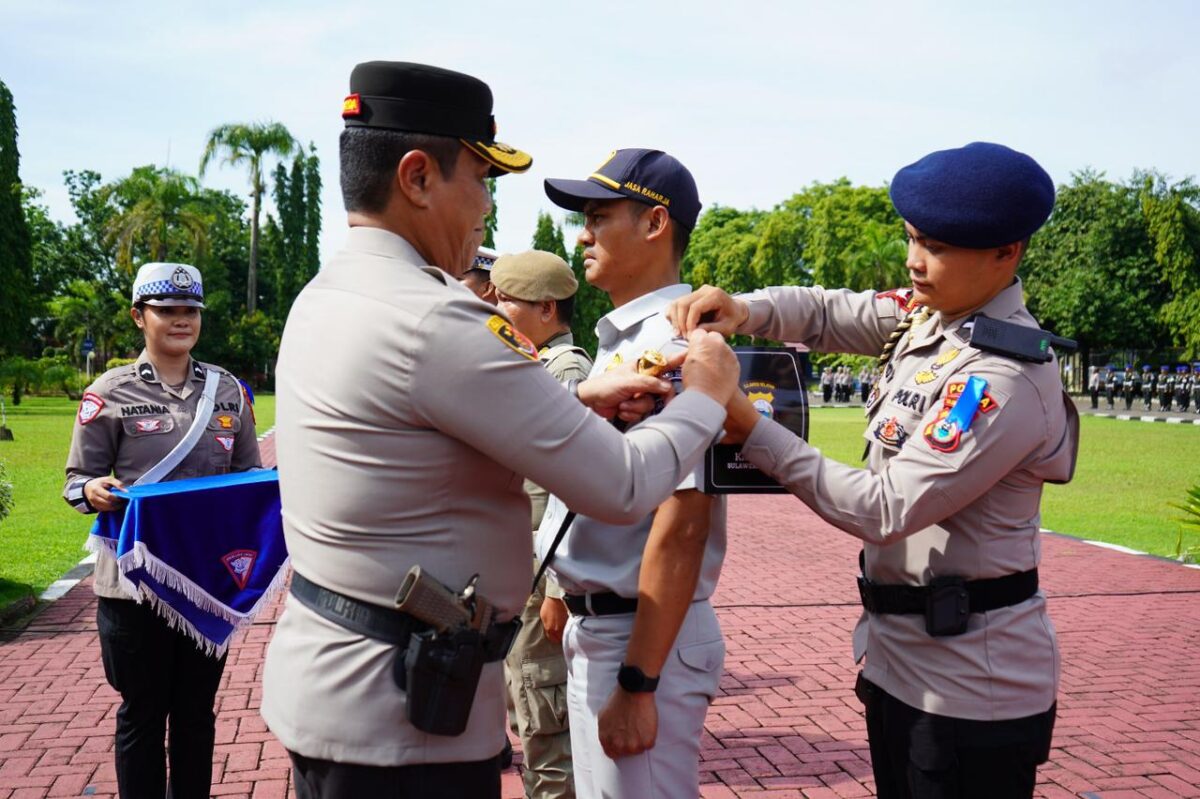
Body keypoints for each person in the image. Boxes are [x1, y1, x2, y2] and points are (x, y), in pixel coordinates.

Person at [259, 63, 740, 799]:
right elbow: (623, 484)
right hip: (400, 720)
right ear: (418, 177)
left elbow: (424, 427)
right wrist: (707, 396)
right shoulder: (434, 318)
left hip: (351, 682)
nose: (486, 204)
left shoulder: (332, 291)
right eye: (480, 177)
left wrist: (576, 398)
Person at [669, 142, 1079, 799]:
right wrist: (744, 308)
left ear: (1009, 251)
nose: (915, 260)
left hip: (971, 689)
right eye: (913, 237)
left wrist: (746, 422)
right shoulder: (934, 315)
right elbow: (833, 312)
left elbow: (882, 508)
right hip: (900, 659)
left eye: (938, 246)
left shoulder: (1002, 373)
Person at [534, 148, 728, 799]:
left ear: (655, 224)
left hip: (641, 636)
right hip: (607, 624)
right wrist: (565, 585)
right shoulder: (625, 337)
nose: (582, 235)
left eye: (598, 216)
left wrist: (639, 681)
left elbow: (683, 522)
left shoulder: (677, 342)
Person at [62, 261, 260, 799]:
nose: (181, 320)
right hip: (132, 587)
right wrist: (93, 491)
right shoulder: (110, 391)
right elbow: (76, 481)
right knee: (142, 715)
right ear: (138, 316)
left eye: (190, 311)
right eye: (167, 310)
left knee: (196, 714)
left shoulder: (228, 391)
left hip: (203, 586)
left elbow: (247, 481)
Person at [491, 249, 592, 799]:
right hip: (524, 572)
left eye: (508, 298)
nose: (499, 307)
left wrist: (557, 589)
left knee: (545, 720)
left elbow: (572, 485)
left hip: (544, 579)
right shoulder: (535, 363)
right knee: (529, 709)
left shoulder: (565, 369)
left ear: (546, 307)